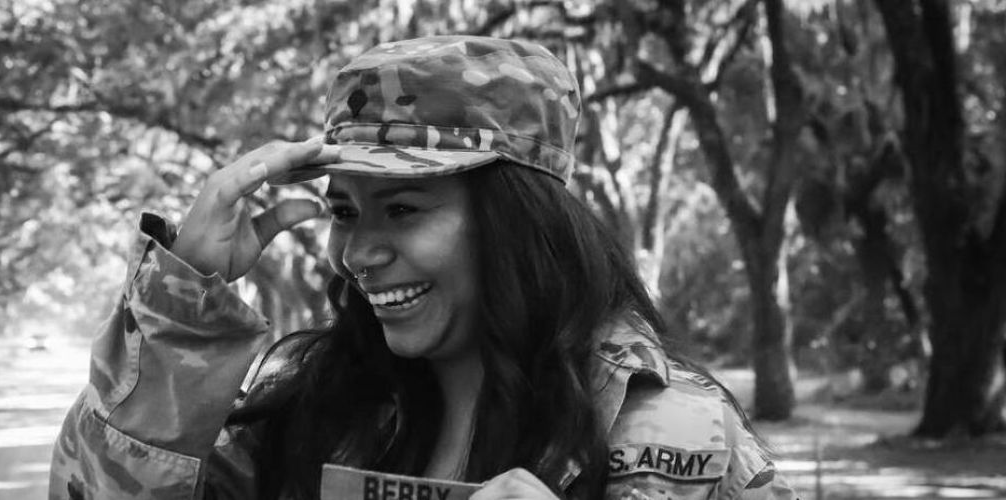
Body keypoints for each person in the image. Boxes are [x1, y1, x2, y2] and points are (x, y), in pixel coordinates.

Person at [49, 36, 797, 500]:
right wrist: (182, 314)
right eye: (344, 211)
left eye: (403, 210)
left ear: (518, 226)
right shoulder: (316, 409)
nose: (356, 254)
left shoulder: (672, 431)